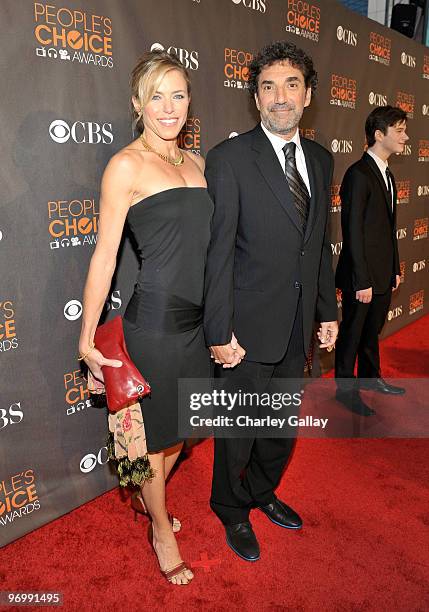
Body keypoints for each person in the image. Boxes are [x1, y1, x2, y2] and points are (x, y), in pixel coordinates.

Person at [78, 50, 213, 585]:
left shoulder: (198, 163)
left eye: (178, 95)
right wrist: (86, 335)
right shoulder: (126, 165)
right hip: (153, 325)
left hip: (197, 326)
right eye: (156, 96)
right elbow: (105, 255)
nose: (168, 107)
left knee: (180, 434)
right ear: (137, 103)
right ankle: (161, 528)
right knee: (156, 439)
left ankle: (141, 493)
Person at [203, 41, 338, 562]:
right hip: (245, 327)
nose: (280, 97)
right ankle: (231, 508)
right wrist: (219, 332)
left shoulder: (322, 160)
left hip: (298, 325)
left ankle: (261, 492)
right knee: (238, 431)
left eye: (290, 85)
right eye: (267, 86)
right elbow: (217, 256)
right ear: (255, 97)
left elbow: (319, 246)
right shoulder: (230, 159)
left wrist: (327, 311)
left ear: (308, 94)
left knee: (280, 428)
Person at [335, 106, 408, 415]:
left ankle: (369, 377)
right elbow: (351, 232)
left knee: (370, 331)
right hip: (361, 277)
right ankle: (344, 390)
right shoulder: (358, 174)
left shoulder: (387, 173)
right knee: (352, 334)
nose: (407, 136)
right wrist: (361, 279)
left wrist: (394, 268)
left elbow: (388, 228)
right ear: (380, 135)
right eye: (400, 130)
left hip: (380, 273)